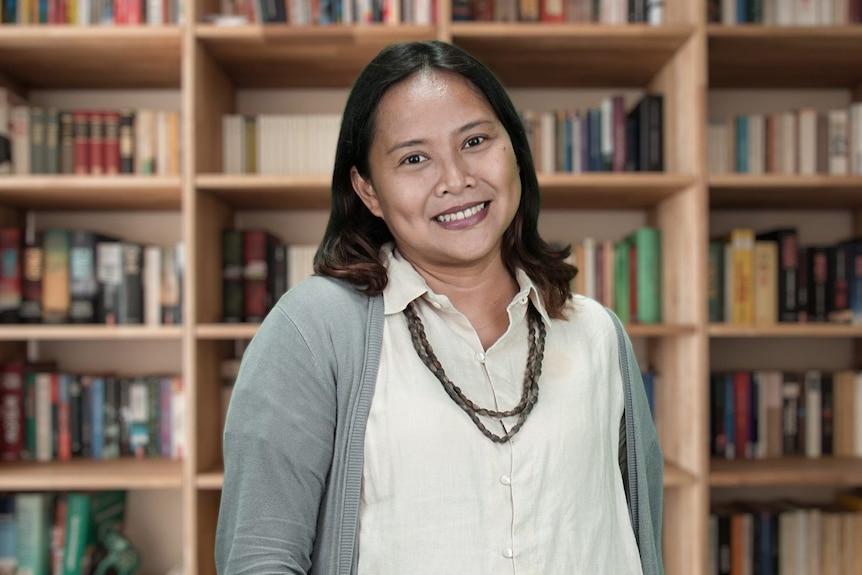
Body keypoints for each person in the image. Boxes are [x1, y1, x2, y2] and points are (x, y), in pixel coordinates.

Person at [215, 40, 664, 575]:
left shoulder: (595, 332)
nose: (456, 180)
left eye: (475, 141)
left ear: (515, 151)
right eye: (414, 158)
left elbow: (637, 535)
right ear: (369, 190)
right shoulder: (312, 331)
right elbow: (260, 557)